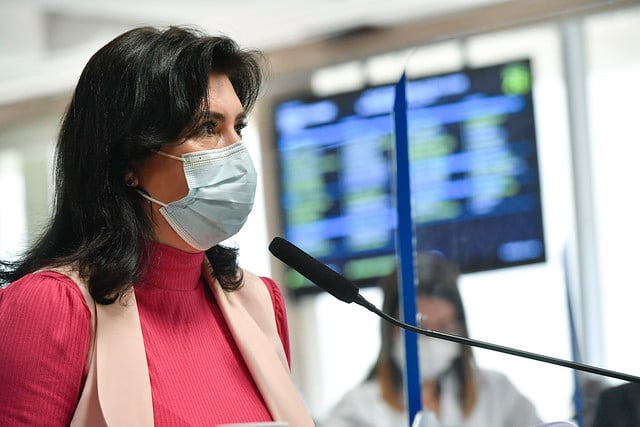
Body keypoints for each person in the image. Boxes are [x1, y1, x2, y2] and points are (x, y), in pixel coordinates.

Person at [0, 25, 315, 427]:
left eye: (239, 126)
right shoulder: (51, 305)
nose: (237, 150)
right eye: (207, 128)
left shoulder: (259, 302)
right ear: (129, 161)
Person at [320, 252, 542, 427]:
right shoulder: (356, 408)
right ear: (391, 329)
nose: (432, 339)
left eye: (444, 327)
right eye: (419, 327)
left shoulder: (496, 391)